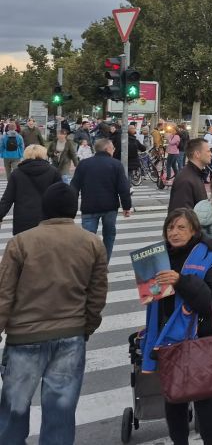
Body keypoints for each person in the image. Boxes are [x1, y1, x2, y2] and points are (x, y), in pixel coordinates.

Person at [0, 183, 108, 444]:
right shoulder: (93, 243)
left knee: (13, 412)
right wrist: (87, 326)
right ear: (74, 210)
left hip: (24, 337)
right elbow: (97, 296)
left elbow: (5, 293)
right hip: (71, 336)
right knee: (59, 414)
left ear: (44, 209)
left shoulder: (20, 243)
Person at [142, 208, 212, 445]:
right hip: (169, 338)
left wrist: (181, 281)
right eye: (170, 227)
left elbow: (211, 301)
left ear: (194, 230)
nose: (174, 232)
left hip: (201, 337)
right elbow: (154, 301)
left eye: (181, 227)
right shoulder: (158, 258)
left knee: (205, 399)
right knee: (174, 399)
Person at [70, 138, 132, 260]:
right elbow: (123, 188)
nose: (114, 150)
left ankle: (89, 264)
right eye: (113, 148)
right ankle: (104, 263)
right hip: (110, 208)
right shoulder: (116, 164)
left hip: (88, 207)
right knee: (109, 235)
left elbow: (74, 187)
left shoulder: (84, 164)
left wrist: (71, 208)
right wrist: (126, 207)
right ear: (107, 149)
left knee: (87, 239)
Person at [0, 144, 61, 235]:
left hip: (23, 219)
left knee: (24, 248)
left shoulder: (17, 173)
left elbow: (7, 199)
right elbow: (60, 197)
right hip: (47, 219)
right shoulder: (53, 172)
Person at [169, 138, 210, 213]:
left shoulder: (195, 174)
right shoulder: (186, 180)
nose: (211, 154)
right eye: (208, 151)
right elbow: (182, 215)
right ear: (197, 154)